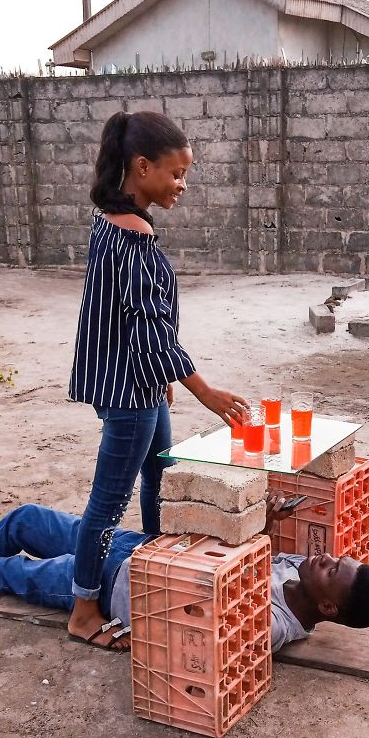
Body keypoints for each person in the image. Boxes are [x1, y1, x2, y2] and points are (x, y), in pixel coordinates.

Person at [67, 110, 247, 649]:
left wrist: (157, 373)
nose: (182, 184)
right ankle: (83, 611)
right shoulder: (134, 237)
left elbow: (122, 320)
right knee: (108, 502)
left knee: (160, 476)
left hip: (134, 382)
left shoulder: (111, 222)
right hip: (129, 396)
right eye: (176, 173)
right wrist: (206, 393)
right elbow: (151, 332)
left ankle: (154, 572)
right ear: (142, 167)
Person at [0, 497, 369, 654]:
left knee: (12, 572)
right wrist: (261, 524)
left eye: (333, 571)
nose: (325, 559)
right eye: (337, 559)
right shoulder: (294, 567)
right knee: (25, 520)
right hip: (138, 548)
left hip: (119, 590)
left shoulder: (274, 626)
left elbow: (205, 628)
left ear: (328, 608)